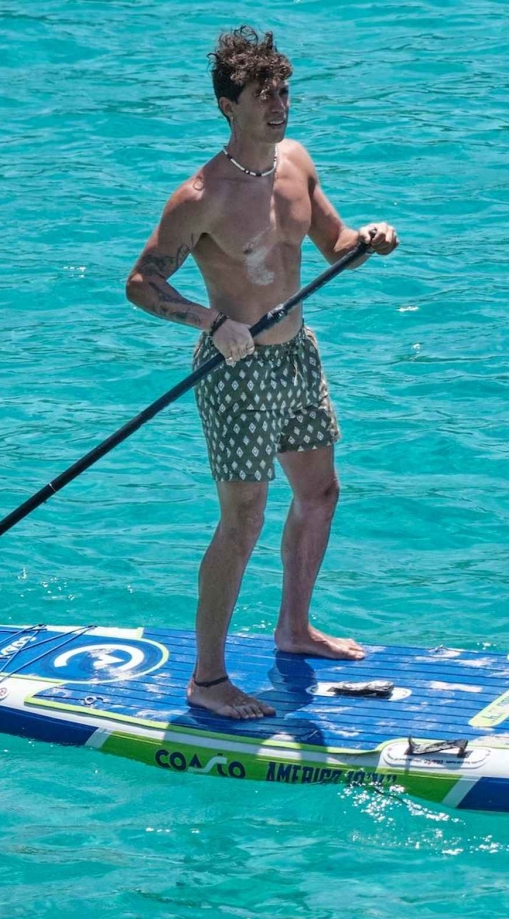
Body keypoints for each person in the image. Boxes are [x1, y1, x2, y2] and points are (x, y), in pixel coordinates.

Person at [125, 26, 399, 719]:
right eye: (263, 94)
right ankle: (208, 679)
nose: (279, 105)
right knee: (242, 521)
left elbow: (334, 244)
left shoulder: (297, 163)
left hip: (297, 354)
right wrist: (212, 323)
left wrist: (368, 241)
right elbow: (141, 281)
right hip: (235, 370)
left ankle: (294, 628)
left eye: (284, 90)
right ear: (228, 104)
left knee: (321, 491)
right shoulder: (199, 196)